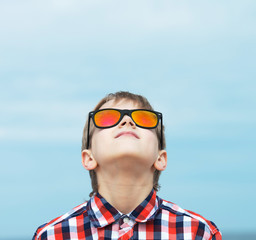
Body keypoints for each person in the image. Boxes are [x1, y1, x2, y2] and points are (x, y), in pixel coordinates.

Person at [33, 91, 222, 240]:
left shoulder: (198, 233)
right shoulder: (52, 236)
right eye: (106, 118)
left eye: (144, 119)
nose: (127, 121)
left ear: (161, 158)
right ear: (88, 158)